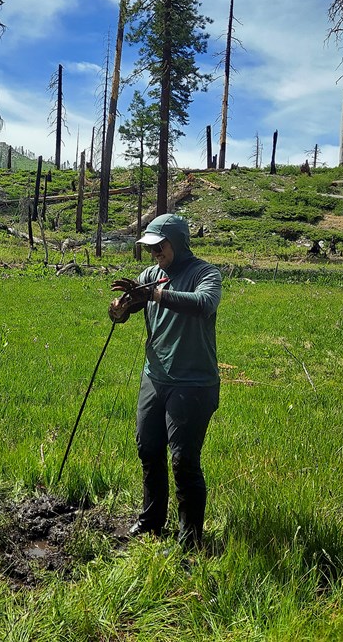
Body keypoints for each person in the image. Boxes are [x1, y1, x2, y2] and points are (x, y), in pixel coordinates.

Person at [109, 213, 222, 550]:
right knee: (148, 449)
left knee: (184, 461)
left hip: (193, 383)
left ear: (177, 241)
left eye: (160, 245)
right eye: (149, 247)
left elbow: (204, 304)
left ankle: (191, 541)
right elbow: (129, 307)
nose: (154, 252)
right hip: (154, 377)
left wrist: (156, 295)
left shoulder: (205, 273)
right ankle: (151, 522)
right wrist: (119, 310)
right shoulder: (150, 275)